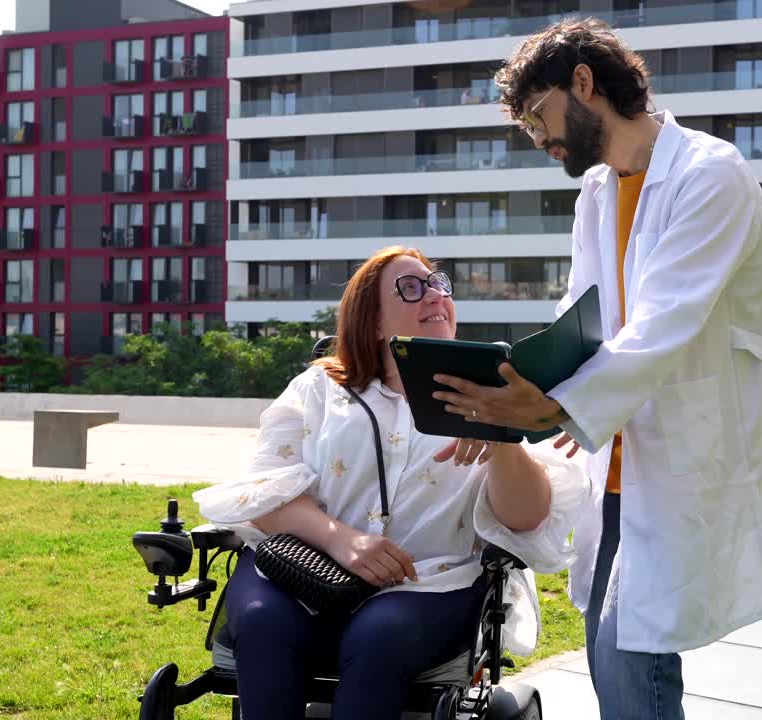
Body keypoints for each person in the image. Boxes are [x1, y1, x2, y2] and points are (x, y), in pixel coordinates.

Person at [430, 18, 762, 720]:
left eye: (539, 115)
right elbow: (583, 316)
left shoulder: (710, 174)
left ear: (585, 83)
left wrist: (559, 408)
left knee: (632, 660)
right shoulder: (598, 191)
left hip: (687, 451)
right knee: (607, 650)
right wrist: (515, 393)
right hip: (621, 456)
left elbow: (664, 323)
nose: (539, 138)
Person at [193, 246, 587, 719]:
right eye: (411, 287)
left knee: (380, 635)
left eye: (439, 283)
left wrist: (499, 436)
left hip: (428, 584)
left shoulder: (496, 398)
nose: (434, 295)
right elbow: (262, 494)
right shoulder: (320, 390)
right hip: (301, 569)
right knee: (262, 624)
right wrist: (344, 541)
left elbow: (526, 519)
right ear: (375, 321)